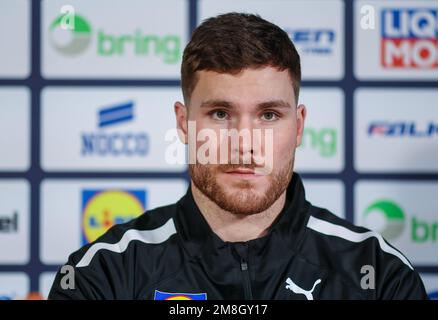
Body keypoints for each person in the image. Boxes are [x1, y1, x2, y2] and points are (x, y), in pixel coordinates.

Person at [49, 12, 427, 300]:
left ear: (298, 127)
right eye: (220, 114)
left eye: (268, 115)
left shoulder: (377, 273)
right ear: (183, 123)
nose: (244, 142)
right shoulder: (103, 274)